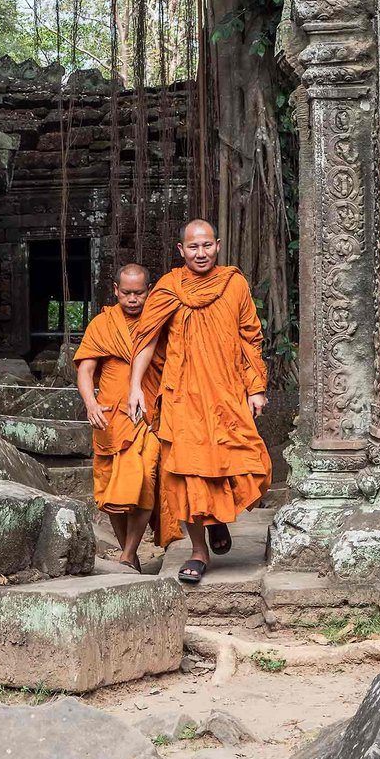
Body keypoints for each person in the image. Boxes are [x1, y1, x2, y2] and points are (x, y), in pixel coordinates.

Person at [127, 220, 271, 584]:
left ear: (218, 246)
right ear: (181, 251)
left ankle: (218, 518)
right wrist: (134, 388)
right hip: (182, 397)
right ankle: (198, 550)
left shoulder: (233, 284)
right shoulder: (169, 289)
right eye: (193, 247)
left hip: (225, 392)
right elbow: (145, 340)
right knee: (186, 470)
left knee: (238, 460)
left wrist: (255, 388)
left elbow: (249, 337)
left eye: (207, 245)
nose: (201, 253)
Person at [74, 263, 176, 570]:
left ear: (149, 290)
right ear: (116, 290)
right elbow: (86, 369)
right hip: (109, 416)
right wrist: (90, 403)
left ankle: (129, 553)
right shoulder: (102, 325)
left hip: (148, 415)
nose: (133, 299)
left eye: (139, 293)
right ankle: (127, 553)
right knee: (111, 491)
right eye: (127, 293)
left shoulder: (159, 320)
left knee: (145, 477)